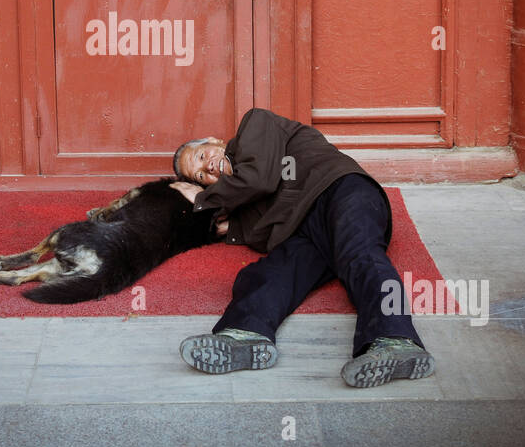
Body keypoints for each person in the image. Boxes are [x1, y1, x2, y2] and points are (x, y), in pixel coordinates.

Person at [170, 107, 434, 387]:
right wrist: (229, 225)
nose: (208, 168)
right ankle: (243, 336)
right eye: (200, 177)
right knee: (269, 272)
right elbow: (263, 236)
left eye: (202, 157)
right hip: (306, 228)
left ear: (214, 141)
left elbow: (260, 178)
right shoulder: (240, 198)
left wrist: (203, 198)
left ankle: (396, 339)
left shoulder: (255, 124)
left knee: (360, 255)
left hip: (341, 191)